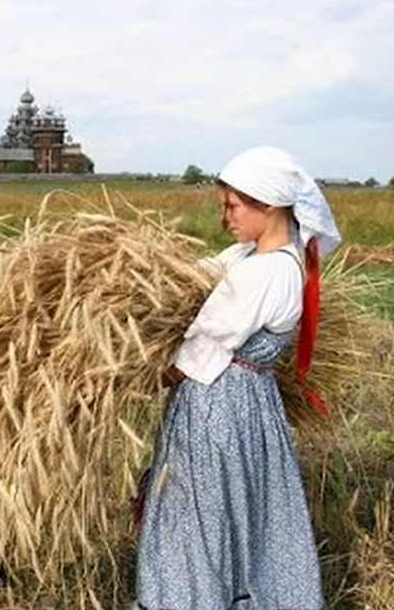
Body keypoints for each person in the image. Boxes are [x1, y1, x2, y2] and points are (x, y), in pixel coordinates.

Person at [134, 146, 341, 610]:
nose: (225, 217)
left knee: (199, 512)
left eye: (233, 206)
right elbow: (195, 276)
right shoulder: (259, 257)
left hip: (217, 407)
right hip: (248, 405)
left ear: (268, 205)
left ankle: (193, 598)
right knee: (239, 508)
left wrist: (137, 383)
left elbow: (201, 349)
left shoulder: (265, 274)